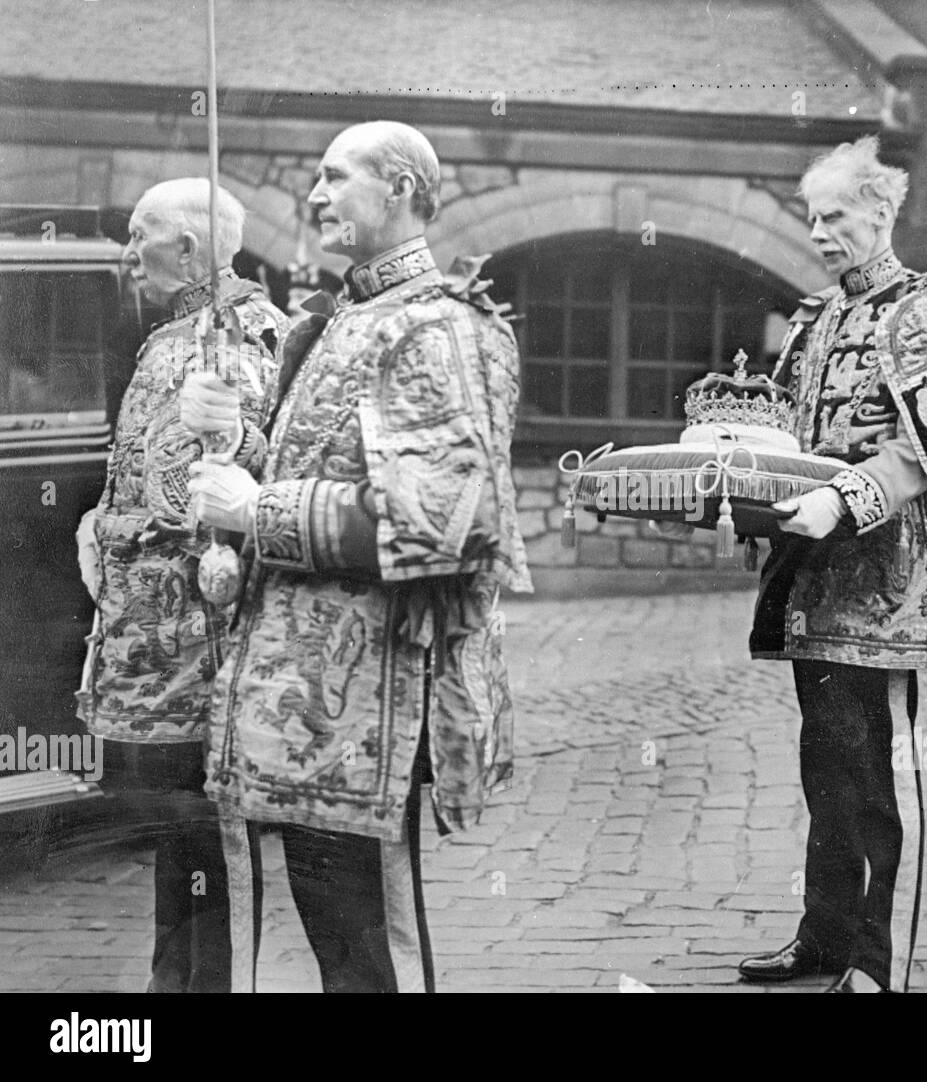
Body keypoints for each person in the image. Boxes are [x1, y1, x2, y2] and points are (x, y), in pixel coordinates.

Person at [187, 121, 530, 992]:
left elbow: (445, 525)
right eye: (315, 178)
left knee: (371, 949)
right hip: (299, 701)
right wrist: (235, 441)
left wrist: (256, 508)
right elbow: (317, 467)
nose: (314, 195)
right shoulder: (340, 321)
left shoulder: (438, 330)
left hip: (375, 696)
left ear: (403, 188)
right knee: (331, 932)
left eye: (336, 177)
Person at [734, 135, 927, 993]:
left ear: (882, 213)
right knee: (827, 768)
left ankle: (882, 964)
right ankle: (825, 938)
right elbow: (779, 433)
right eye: (812, 218)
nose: (818, 233)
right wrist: (741, 493)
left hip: (892, 580)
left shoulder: (925, 308)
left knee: (880, 779)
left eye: (835, 216)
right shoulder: (817, 318)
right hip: (811, 572)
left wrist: (848, 500)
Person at [75, 178, 286, 992]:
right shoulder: (169, 335)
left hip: (204, 639)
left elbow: (251, 472)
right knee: (179, 837)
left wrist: (229, 437)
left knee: (210, 838)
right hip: (152, 644)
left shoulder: (235, 336)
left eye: (141, 235)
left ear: (190, 249)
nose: (128, 254)